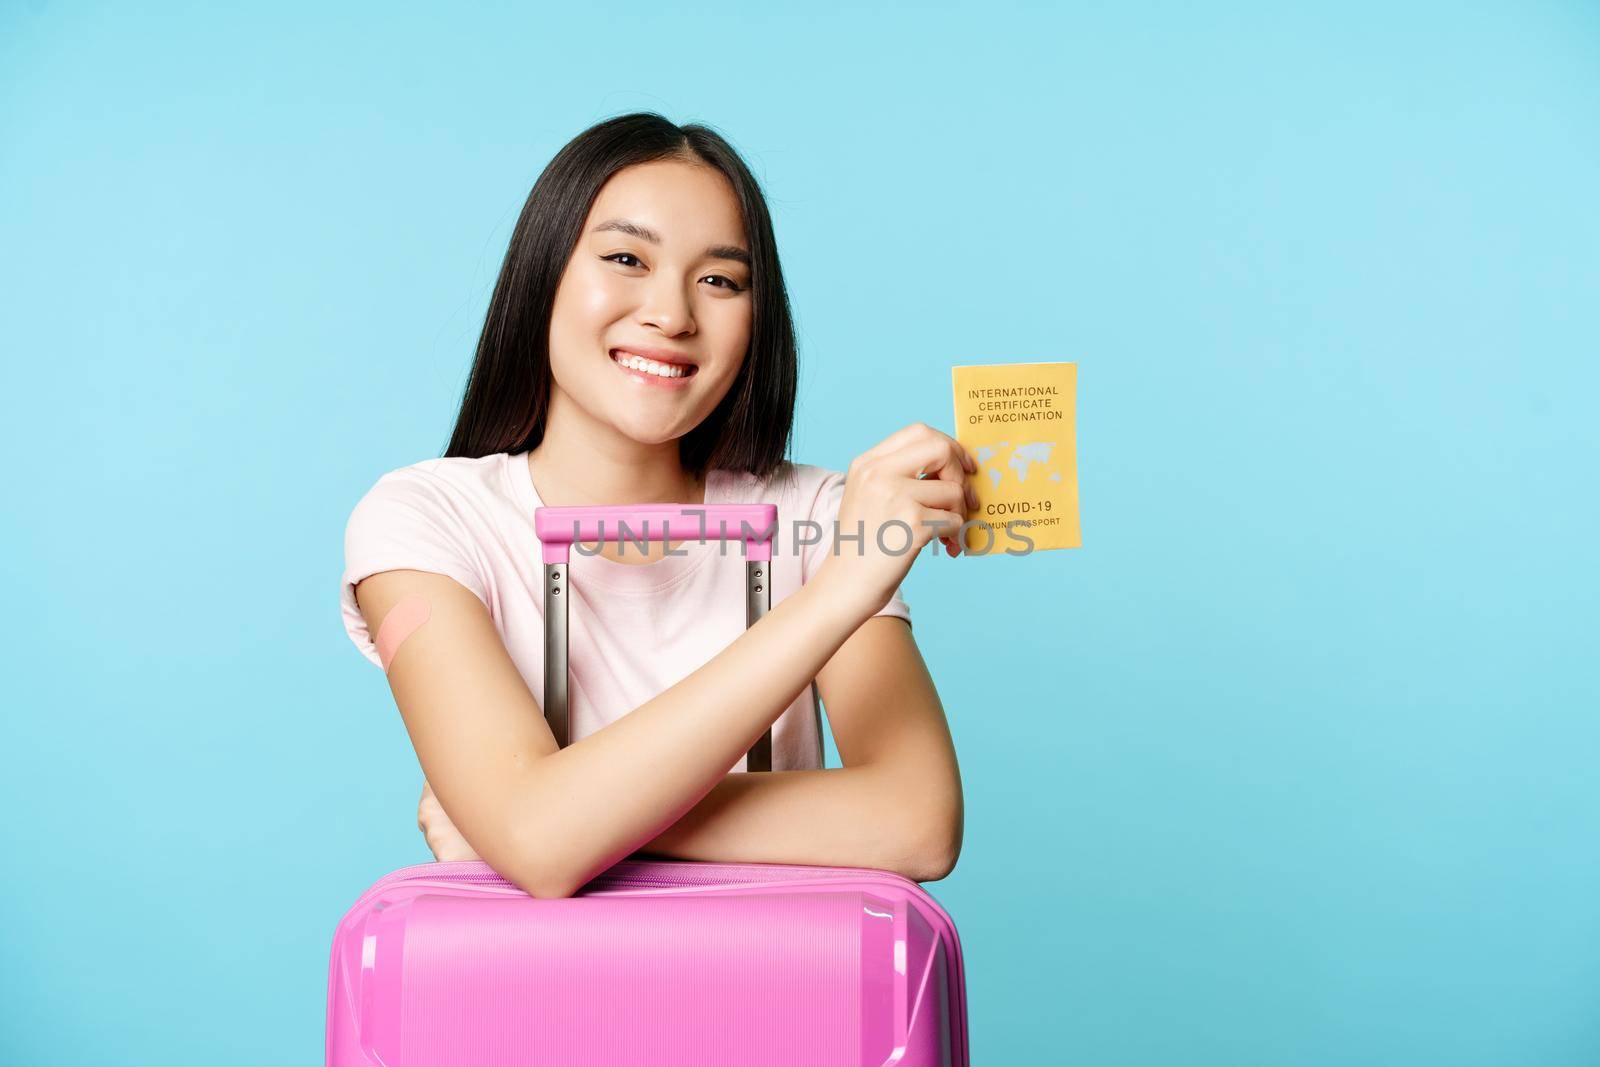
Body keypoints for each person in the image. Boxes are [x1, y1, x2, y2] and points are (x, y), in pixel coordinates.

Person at [340, 112, 974, 900]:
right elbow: (537, 837)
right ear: (544, 275)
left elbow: (918, 820)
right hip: (528, 1008)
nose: (673, 313)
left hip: (781, 999)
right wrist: (838, 593)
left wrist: (547, 813)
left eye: (720, 279)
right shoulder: (421, 521)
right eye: (625, 258)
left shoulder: (821, 515)